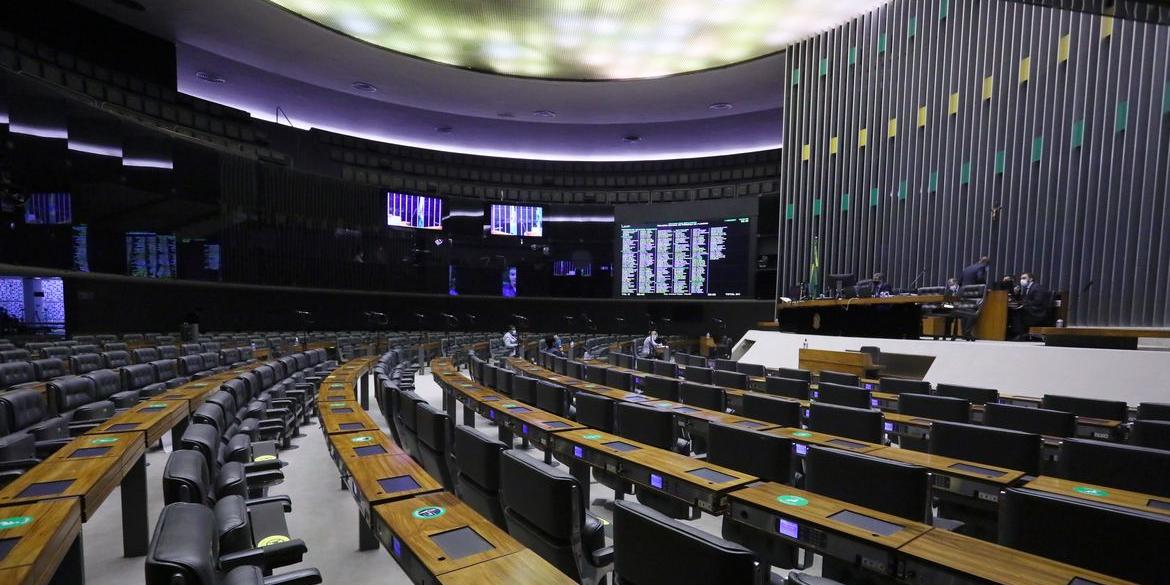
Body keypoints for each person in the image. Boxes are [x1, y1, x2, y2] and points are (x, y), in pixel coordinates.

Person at [1010, 272, 1051, 340]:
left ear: (1031, 279)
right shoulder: (1027, 288)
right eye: (1021, 278)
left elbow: (1037, 302)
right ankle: (1016, 333)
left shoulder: (1037, 287)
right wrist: (1017, 293)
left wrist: (1023, 305)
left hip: (1038, 312)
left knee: (1019, 312)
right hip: (1031, 309)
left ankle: (1020, 335)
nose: (1021, 280)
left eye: (1024, 278)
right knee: (1015, 310)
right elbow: (1024, 300)